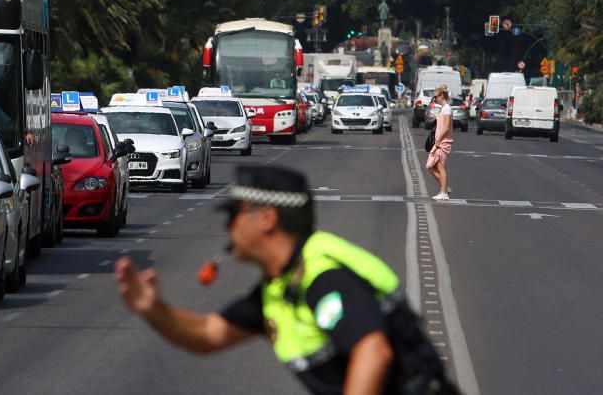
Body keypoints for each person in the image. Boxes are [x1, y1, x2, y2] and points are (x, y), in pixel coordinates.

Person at [114, 165, 457, 395]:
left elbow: (372, 350)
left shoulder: (322, 275)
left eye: (234, 215)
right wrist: (151, 308)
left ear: (266, 218)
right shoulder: (277, 289)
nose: (227, 227)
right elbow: (207, 334)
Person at [426, 85, 453, 201]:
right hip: (439, 141)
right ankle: (445, 187)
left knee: (440, 167)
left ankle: (444, 192)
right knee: (430, 166)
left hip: (443, 142)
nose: (435, 99)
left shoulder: (447, 108)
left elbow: (446, 127)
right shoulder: (444, 109)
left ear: (442, 96)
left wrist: (438, 139)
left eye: (436, 97)